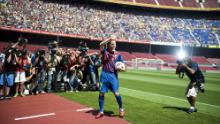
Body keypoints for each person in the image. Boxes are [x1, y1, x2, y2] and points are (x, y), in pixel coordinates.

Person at [95, 36, 125, 119]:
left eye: (114, 44)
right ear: (108, 45)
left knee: (116, 93)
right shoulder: (105, 51)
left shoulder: (118, 55)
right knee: (101, 93)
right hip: (104, 74)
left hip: (113, 76)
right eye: (112, 44)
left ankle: (121, 109)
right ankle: (101, 111)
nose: (114, 45)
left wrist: (120, 68)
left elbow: (123, 67)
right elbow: (101, 44)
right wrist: (109, 38)